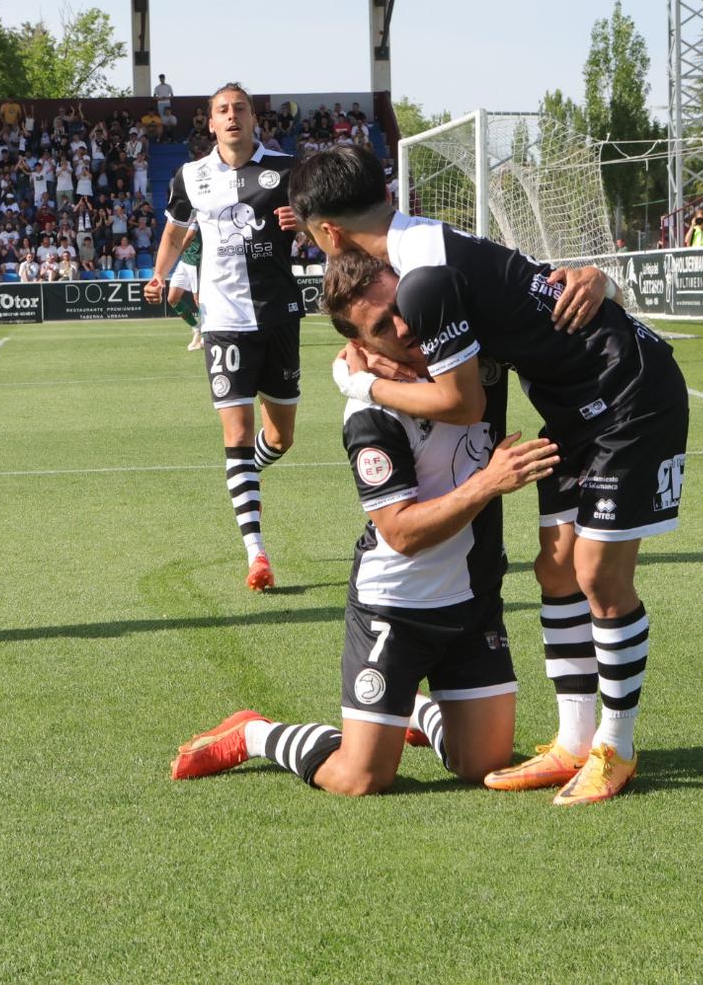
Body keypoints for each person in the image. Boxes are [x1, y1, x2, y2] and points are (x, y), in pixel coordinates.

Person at [289, 144, 678, 806]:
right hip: (571, 406)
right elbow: (535, 286)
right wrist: (600, 280)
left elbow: (463, 403)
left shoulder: (421, 278)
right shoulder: (424, 251)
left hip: (626, 396)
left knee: (597, 576)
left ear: (327, 233)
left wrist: (360, 383)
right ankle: (573, 742)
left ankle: (617, 747)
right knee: (555, 569)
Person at [173, 300, 559, 794]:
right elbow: (401, 534)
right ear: (361, 347)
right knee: (361, 778)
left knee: (483, 764)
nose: (402, 329)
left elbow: (537, 307)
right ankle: (255, 733)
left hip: (474, 596)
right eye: (381, 327)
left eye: (403, 312)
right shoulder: (370, 415)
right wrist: (488, 483)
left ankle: (411, 709)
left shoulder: (470, 355)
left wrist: (599, 285)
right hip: (397, 607)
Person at [142, 82, 304, 591]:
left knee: (280, 437)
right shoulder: (191, 176)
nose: (231, 117)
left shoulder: (289, 168)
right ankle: (256, 554)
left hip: (278, 313)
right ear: (209, 123)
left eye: (240, 109)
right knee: (234, 434)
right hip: (222, 318)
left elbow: (326, 226)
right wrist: (160, 274)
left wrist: (304, 221)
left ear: (255, 119)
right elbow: (174, 232)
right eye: (222, 111)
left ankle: (243, 473)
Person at [167, 229, 203, 351]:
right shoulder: (181, 215)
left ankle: (206, 335)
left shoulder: (195, 213)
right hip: (184, 261)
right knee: (172, 299)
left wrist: (175, 252)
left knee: (199, 300)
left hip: (195, 261)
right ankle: (196, 328)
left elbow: (189, 236)